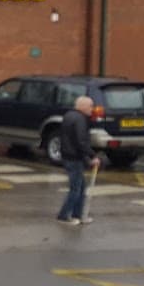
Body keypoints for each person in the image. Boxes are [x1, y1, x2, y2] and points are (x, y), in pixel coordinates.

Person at [57, 95, 100, 225]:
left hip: (70, 156)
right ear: (83, 106)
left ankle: (78, 215)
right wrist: (92, 156)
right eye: (90, 106)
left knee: (80, 187)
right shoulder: (80, 119)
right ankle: (64, 216)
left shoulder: (69, 115)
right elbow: (81, 141)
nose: (92, 109)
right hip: (74, 158)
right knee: (76, 188)